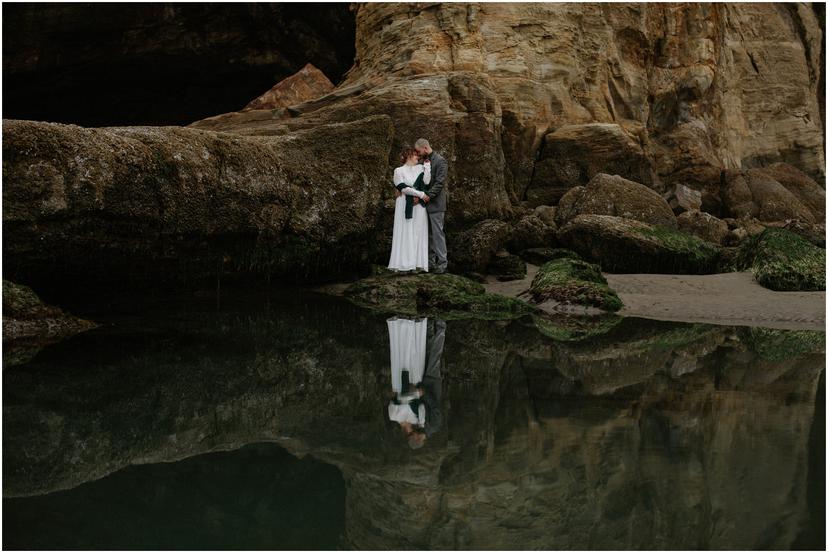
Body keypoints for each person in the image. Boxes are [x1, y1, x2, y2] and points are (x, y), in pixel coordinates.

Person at [388, 145, 430, 272]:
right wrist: (420, 194)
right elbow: (402, 188)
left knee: (417, 232)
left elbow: (426, 182)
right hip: (404, 204)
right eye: (415, 154)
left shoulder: (420, 168)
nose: (418, 156)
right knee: (405, 231)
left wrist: (427, 166)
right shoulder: (398, 171)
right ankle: (405, 264)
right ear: (408, 156)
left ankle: (416, 264)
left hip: (419, 207)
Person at [414, 138, 448, 274]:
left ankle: (442, 263)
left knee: (437, 234)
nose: (418, 154)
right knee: (427, 235)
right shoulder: (421, 162)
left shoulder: (441, 161)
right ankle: (429, 262)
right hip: (423, 205)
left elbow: (440, 183)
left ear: (425, 148)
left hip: (436, 204)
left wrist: (427, 195)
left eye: (419, 151)